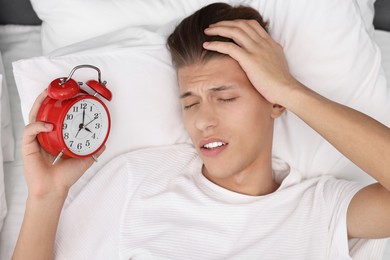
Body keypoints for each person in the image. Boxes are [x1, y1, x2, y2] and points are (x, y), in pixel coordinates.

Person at [13, 2, 390, 259]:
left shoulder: (319, 209)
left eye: (225, 98)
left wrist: (290, 90)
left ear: (274, 103)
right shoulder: (137, 182)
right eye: (189, 102)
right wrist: (46, 197)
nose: (202, 120)